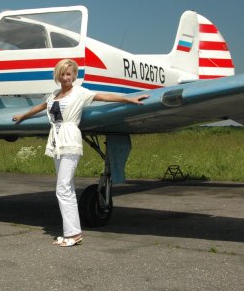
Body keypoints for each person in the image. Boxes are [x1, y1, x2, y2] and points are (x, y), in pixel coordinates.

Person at [12, 59, 149, 247]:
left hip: (70, 140)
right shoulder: (54, 94)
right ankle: (71, 233)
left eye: (69, 74)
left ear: (75, 76)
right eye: (62, 74)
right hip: (57, 142)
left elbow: (103, 97)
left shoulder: (79, 92)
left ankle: (74, 234)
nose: (65, 77)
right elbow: (42, 106)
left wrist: (128, 99)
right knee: (65, 188)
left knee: (63, 188)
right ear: (58, 75)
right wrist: (23, 115)